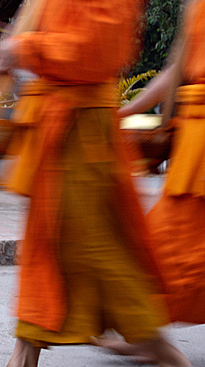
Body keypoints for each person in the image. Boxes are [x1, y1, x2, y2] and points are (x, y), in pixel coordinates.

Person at [0, 0, 192, 366]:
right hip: (58, 129)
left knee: (98, 252)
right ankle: (23, 357)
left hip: (83, 134)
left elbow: (93, 48)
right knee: (47, 251)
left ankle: (164, 353)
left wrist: (25, 48)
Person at [92, 0, 205, 361]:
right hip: (195, 139)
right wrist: (127, 111)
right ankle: (143, 328)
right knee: (164, 245)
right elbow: (177, 68)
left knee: (173, 247)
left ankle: (143, 330)